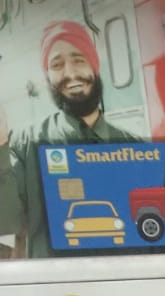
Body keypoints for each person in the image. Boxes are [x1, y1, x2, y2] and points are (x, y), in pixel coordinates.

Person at [0, 20, 140, 259]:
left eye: (79, 60)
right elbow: (6, 223)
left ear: (94, 66)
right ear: (47, 77)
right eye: (57, 65)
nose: (71, 73)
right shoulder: (24, 144)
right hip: (54, 281)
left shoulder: (134, 146)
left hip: (122, 279)